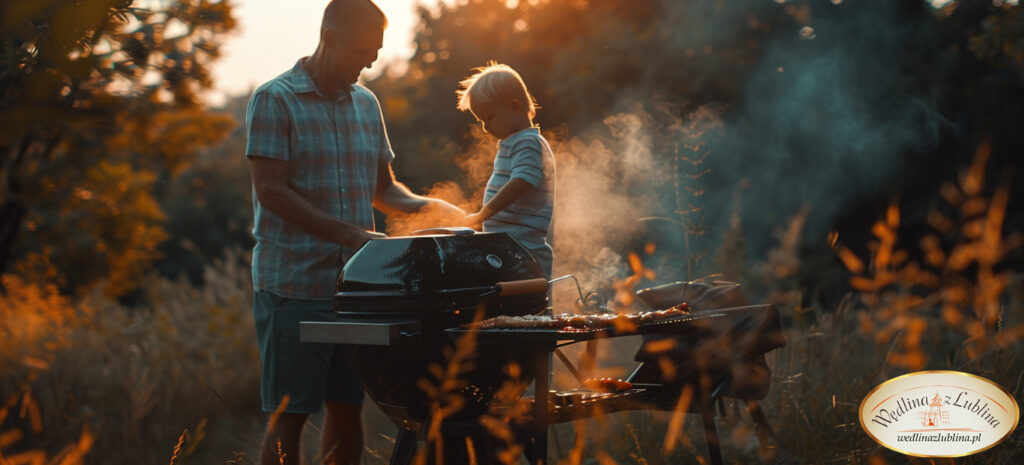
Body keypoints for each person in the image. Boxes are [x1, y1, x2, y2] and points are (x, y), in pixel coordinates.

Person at [244, 1, 464, 464]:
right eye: (363, 51)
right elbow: (271, 192)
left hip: (355, 292)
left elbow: (385, 191)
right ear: (330, 38)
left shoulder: (367, 103)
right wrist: (351, 236)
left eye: (377, 52)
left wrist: (436, 209)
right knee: (290, 415)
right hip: (293, 287)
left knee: (347, 410)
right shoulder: (274, 99)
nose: (371, 62)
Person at [456, 62, 556, 278]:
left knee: (526, 296)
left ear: (515, 107)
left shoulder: (528, 143)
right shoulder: (516, 142)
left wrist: (483, 214)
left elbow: (522, 181)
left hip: (525, 250)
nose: (485, 127)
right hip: (511, 246)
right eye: (481, 121)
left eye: (489, 118)